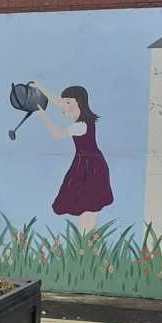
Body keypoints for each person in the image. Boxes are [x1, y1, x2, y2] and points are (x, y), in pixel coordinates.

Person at [33, 82, 113, 235]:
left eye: (68, 102)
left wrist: (43, 116)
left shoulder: (80, 125)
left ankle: (85, 240)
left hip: (88, 166)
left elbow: (57, 134)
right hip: (92, 162)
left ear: (79, 103)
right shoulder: (85, 120)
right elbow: (58, 102)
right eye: (64, 102)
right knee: (87, 205)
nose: (63, 106)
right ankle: (86, 241)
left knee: (86, 204)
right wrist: (40, 87)